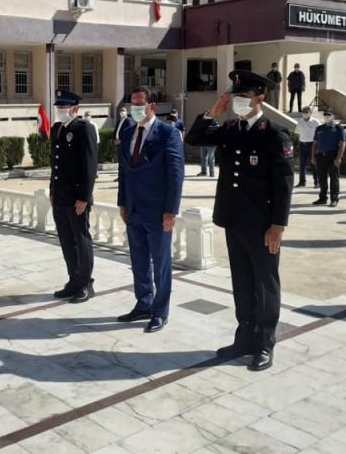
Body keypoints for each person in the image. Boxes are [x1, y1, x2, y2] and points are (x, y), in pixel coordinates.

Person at [185, 70, 294, 372]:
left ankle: (265, 343)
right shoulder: (231, 128)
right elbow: (194, 139)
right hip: (234, 219)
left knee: (265, 285)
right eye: (235, 96)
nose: (238, 102)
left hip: (262, 225)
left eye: (244, 97)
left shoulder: (275, 134)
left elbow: (284, 185)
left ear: (260, 98)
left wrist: (277, 226)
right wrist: (212, 112)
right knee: (242, 282)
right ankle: (245, 338)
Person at [116, 87, 184, 333]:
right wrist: (122, 202)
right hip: (133, 209)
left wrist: (171, 211)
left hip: (158, 211)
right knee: (139, 260)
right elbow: (124, 171)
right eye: (132, 104)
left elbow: (176, 174)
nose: (135, 108)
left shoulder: (168, 133)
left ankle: (160, 311)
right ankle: (143, 303)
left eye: (140, 104)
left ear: (152, 106)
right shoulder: (127, 132)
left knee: (161, 263)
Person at [49, 90, 99, 303]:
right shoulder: (57, 128)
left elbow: (90, 165)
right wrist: (52, 190)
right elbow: (55, 164)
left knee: (81, 239)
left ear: (75, 109)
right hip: (60, 196)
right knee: (66, 240)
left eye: (64, 107)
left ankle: (86, 283)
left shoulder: (83, 128)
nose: (61, 110)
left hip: (77, 198)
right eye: (59, 107)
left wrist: (84, 197)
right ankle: (73, 280)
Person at [311, 109, 346, 207]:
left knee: (334, 178)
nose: (326, 117)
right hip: (321, 156)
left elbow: (342, 143)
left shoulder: (338, 128)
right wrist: (313, 156)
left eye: (329, 115)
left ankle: (334, 199)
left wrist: (338, 158)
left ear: (333, 116)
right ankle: (322, 198)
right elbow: (315, 143)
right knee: (322, 178)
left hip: (333, 155)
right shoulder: (319, 128)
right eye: (325, 115)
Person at [294, 107, 319, 188]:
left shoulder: (315, 122)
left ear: (310, 113)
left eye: (306, 112)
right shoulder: (300, 122)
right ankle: (302, 181)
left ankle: (317, 182)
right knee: (302, 164)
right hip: (302, 144)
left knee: (314, 163)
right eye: (303, 112)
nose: (304, 113)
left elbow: (319, 133)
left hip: (312, 144)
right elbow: (297, 132)